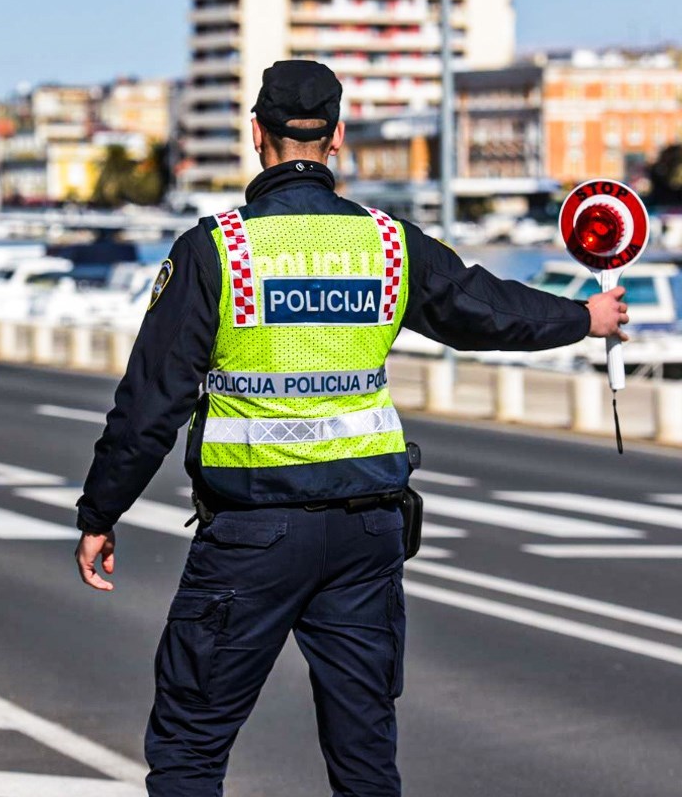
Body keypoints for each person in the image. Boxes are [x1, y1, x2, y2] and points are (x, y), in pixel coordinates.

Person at [73, 60, 629, 797]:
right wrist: (583, 318)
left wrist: (101, 511)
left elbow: (150, 404)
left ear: (256, 134)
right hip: (366, 535)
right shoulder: (389, 244)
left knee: (190, 748)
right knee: (365, 758)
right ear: (336, 138)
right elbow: (484, 310)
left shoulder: (217, 251)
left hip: (253, 534)